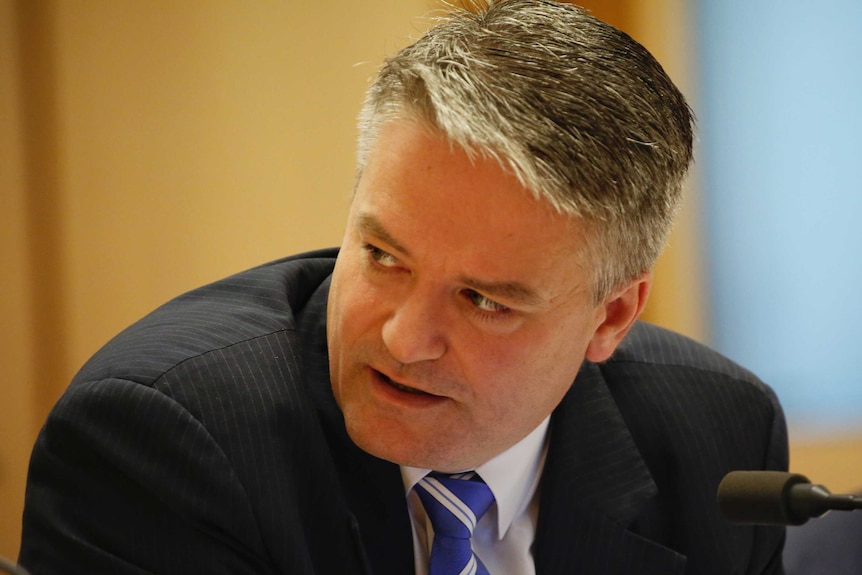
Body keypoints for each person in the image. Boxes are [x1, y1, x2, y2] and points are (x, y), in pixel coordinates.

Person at [19, 1, 788, 574]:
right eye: (385, 257)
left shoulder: (717, 435)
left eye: (484, 299)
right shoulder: (163, 439)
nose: (400, 337)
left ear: (611, 315)